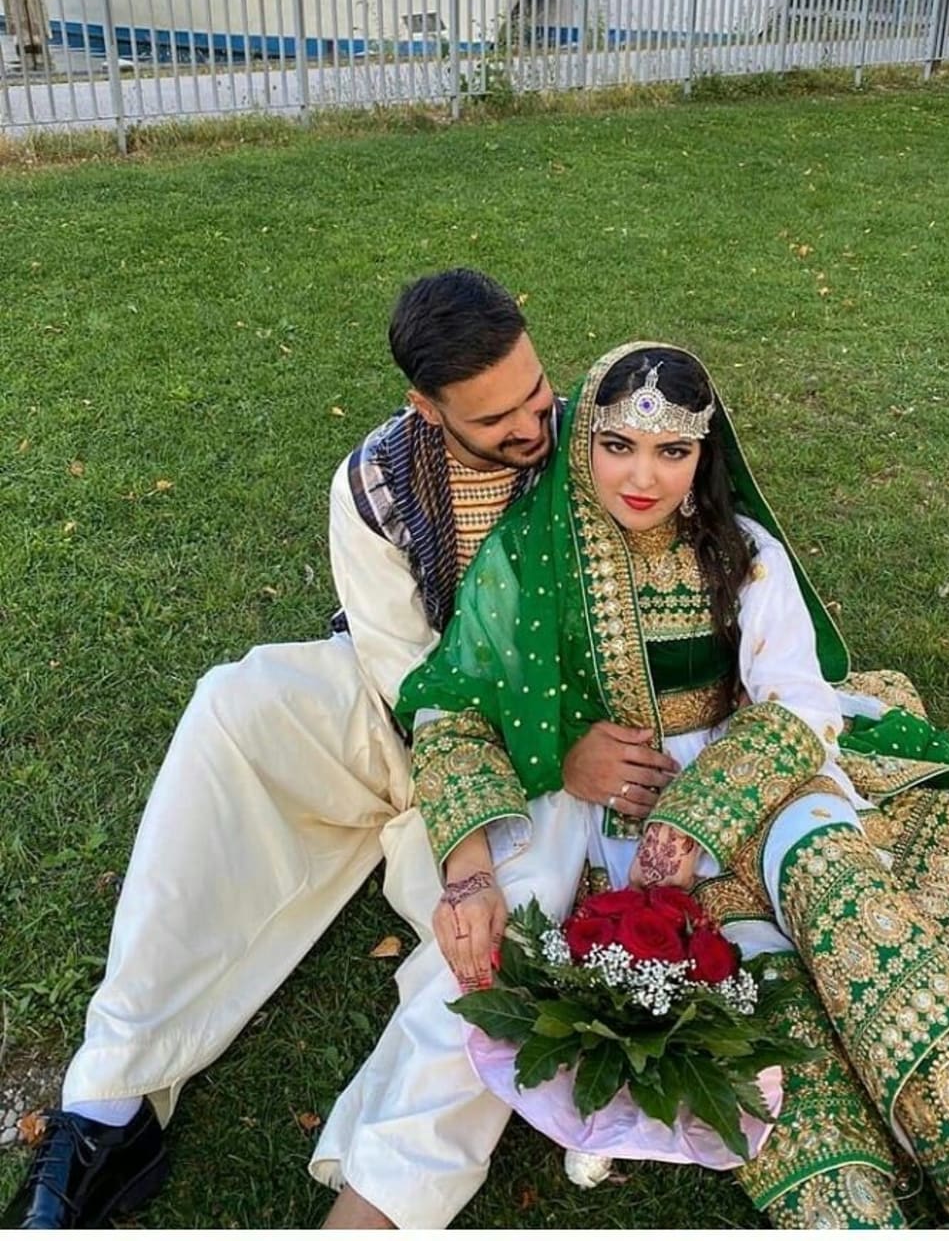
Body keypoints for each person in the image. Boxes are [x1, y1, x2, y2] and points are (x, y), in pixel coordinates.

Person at [3, 275, 682, 1230]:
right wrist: (467, 815)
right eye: (496, 419)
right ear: (427, 409)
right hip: (408, 712)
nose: (533, 424)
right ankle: (108, 1108)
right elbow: (411, 680)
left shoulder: (592, 451)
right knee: (233, 705)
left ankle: (385, 1196)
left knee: (509, 924)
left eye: (535, 391)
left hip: (550, 747)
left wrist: (544, 773)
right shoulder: (373, 483)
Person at [316, 342, 949, 1230]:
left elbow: (798, 704)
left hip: (766, 780)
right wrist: (469, 875)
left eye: (673, 451)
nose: (644, 477)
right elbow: (454, 712)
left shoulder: (745, 552)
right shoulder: (530, 555)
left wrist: (699, 815)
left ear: (704, 453)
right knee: (764, 1020)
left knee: (853, 914)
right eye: (618, 446)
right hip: (627, 831)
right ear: (586, 442)